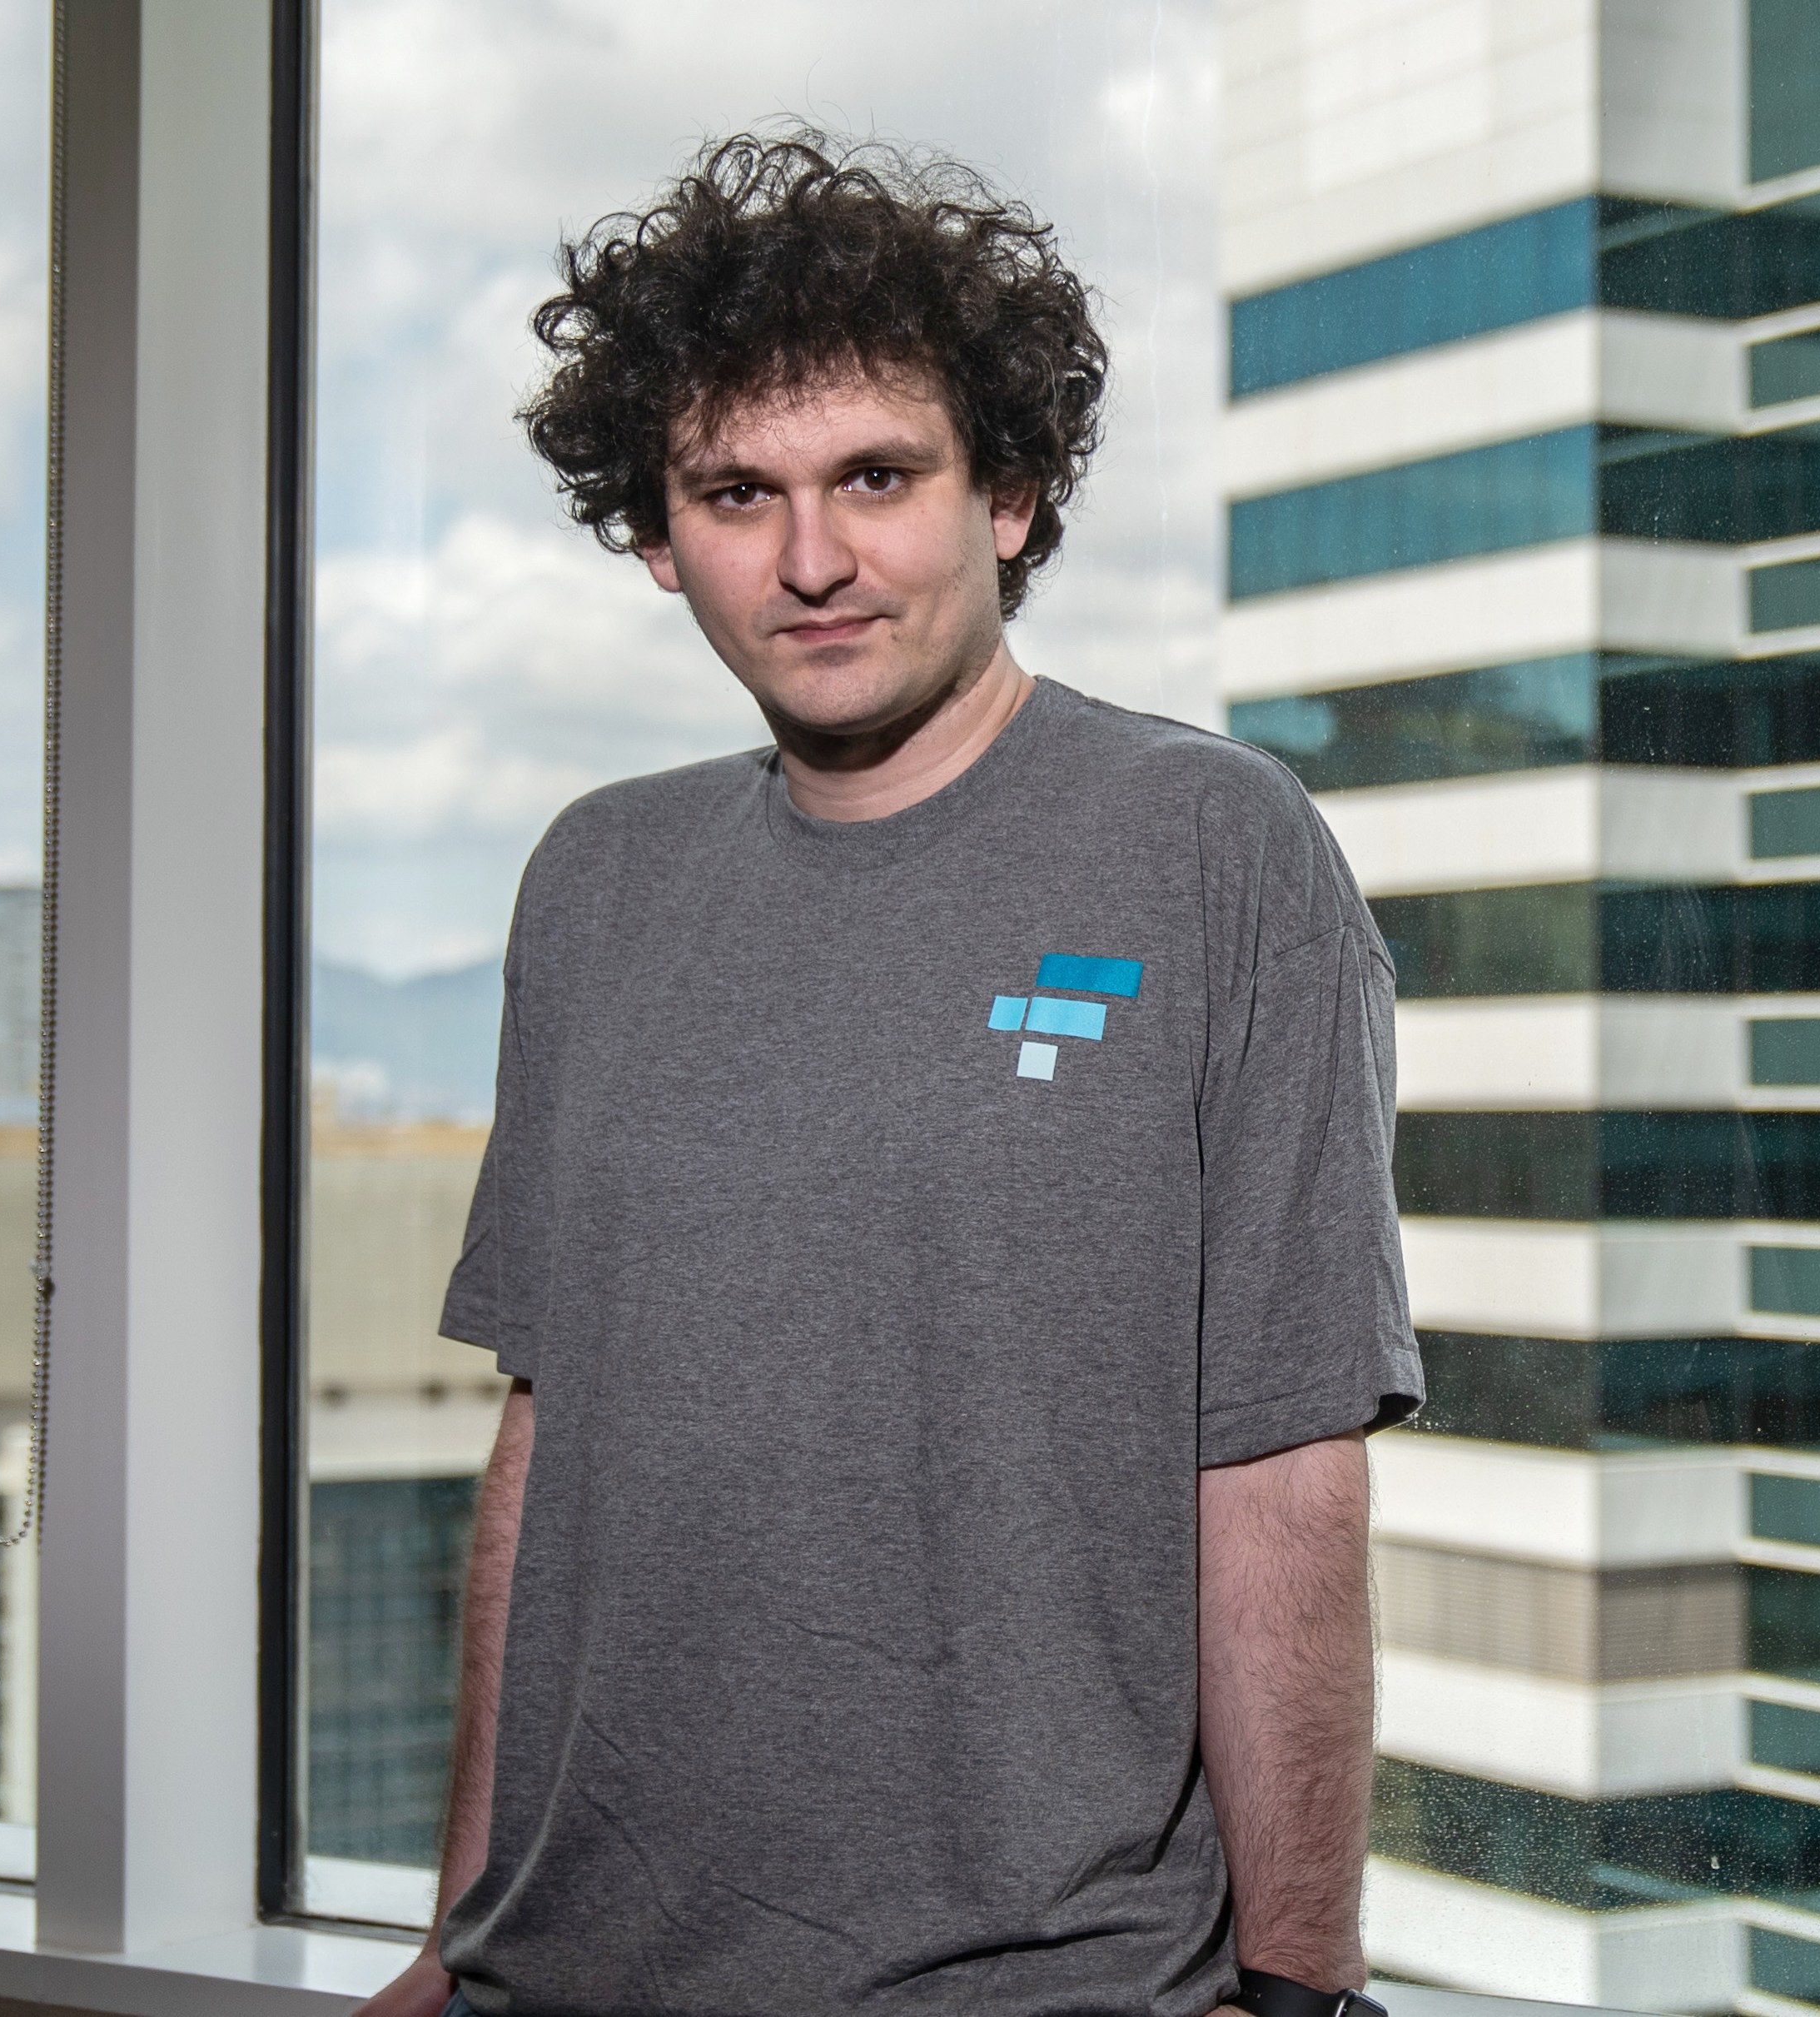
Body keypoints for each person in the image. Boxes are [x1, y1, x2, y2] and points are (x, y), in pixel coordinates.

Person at [358, 132, 1421, 2017]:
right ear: (654, 534)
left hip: (1033, 1988)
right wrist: (455, 1939)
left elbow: (1279, 1464)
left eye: (875, 476)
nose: (812, 559)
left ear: (1007, 491)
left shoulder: (1211, 845)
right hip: (565, 1978)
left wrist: (1304, 1990)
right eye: (735, 493)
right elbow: (545, 1444)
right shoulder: (595, 877)